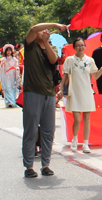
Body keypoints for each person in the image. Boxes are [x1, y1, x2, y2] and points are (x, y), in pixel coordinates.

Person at [22, 22, 67, 178]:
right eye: (43, 31)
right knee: (31, 130)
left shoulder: (51, 47)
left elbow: (53, 60)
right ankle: (29, 166)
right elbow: (33, 29)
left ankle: (46, 164)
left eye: (47, 31)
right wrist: (55, 24)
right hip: (32, 92)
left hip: (49, 93)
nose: (45, 31)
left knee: (49, 131)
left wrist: (47, 42)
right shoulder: (30, 45)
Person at [61, 38, 102, 154]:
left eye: (82, 45)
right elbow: (65, 76)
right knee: (77, 119)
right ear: (74, 47)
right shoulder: (70, 60)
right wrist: (61, 89)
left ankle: (86, 143)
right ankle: (74, 139)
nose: (80, 47)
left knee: (87, 119)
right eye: (78, 45)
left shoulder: (90, 60)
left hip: (87, 92)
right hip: (75, 92)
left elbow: (96, 75)